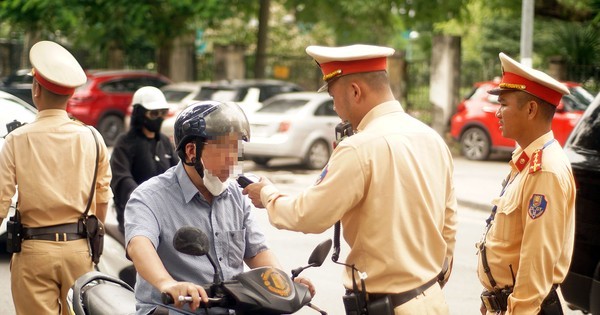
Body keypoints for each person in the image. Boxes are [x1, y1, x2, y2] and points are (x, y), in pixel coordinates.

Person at [243, 44, 458, 314]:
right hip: (431, 300)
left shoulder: (359, 147)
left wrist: (268, 195)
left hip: (388, 306)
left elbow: (308, 215)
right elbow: (449, 225)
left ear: (355, 91)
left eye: (333, 96)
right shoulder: (431, 138)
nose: (334, 107)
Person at [124, 101, 314, 314]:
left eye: (237, 149)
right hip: (175, 310)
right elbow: (139, 245)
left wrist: (284, 284)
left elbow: (257, 252)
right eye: (225, 149)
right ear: (191, 152)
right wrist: (167, 283)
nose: (233, 161)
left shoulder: (235, 195)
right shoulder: (149, 197)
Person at [0, 40, 112, 315]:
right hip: (79, 251)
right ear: (70, 95)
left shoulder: (17, 139)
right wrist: (92, 240)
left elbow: (2, 198)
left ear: (36, 90)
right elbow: (103, 194)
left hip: (34, 252)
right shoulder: (92, 137)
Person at [476, 53, 576, 315]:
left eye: (504, 104)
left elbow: (535, 266)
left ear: (530, 109)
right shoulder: (527, 160)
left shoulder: (544, 169)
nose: (497, 113)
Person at [110, 86, 178, 235]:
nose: (159, 117)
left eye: (163, 113)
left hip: (166, 217)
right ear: (140, 113)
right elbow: (122, 179)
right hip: (136, 218)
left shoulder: (165, 142)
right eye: (154, 114)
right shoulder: (125, 142)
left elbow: (179, 173)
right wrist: (145, 201)